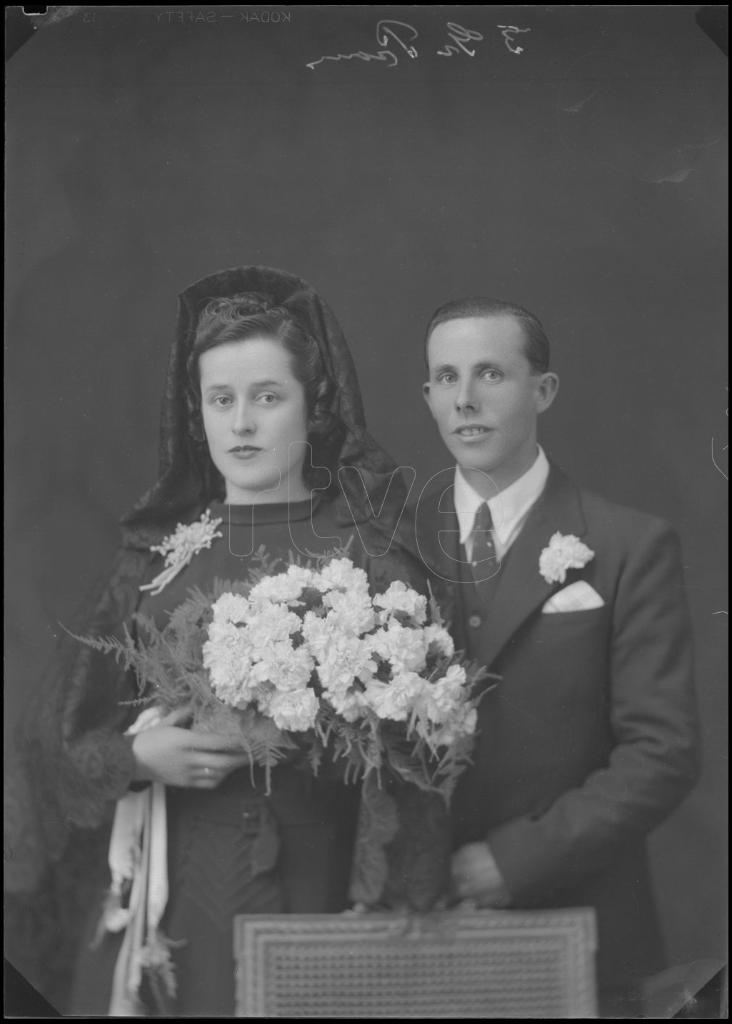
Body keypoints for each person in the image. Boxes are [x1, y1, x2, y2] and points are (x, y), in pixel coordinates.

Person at [4, 266, 437, 1017]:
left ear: (315, 408)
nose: (241, 424)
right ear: (197, 412)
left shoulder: (372, 558)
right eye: (221, 400)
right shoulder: (158, 559)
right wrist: (137, 758)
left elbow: (424, 756)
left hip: (318, 892)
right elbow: (52, 733)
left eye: (267, 398)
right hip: (177, 897)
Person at [410, 297, 700, 1017]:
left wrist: (516, 862)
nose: (466, 401)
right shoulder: (384, 549)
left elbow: (661, 752)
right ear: (427, 397)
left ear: (544, 390)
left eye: (490, 375)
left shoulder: (629, 545)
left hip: (579, 923)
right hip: (412, 932)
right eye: (446, 379)